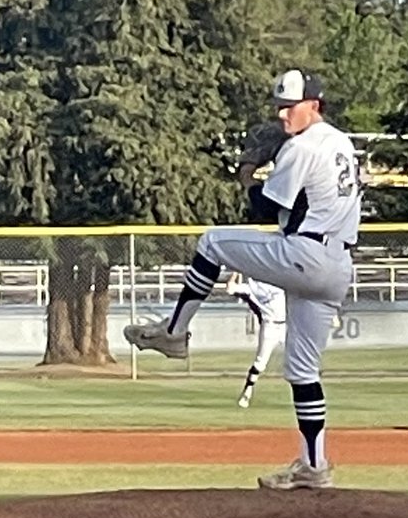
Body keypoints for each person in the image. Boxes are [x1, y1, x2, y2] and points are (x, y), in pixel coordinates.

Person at [123, 68, 361, 488]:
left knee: (212, 242)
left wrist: (248, 171)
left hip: (305, 254)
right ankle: (314, 466)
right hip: (338, 267)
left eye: (291, 106)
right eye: (279, 107)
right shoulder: (342, 142)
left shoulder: (302, 147)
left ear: (314, 105)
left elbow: (265, 209)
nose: (283, 115)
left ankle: (175, 332)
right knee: (303, 371)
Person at [226, 272, 286, 409]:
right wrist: (235, 273)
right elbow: (230, 288)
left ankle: (306, 391)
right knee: (260, 363)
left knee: (300, 357)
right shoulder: (251, 288)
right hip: (269, 326)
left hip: (286, 325)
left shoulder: (279, 279)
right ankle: (248, 391)